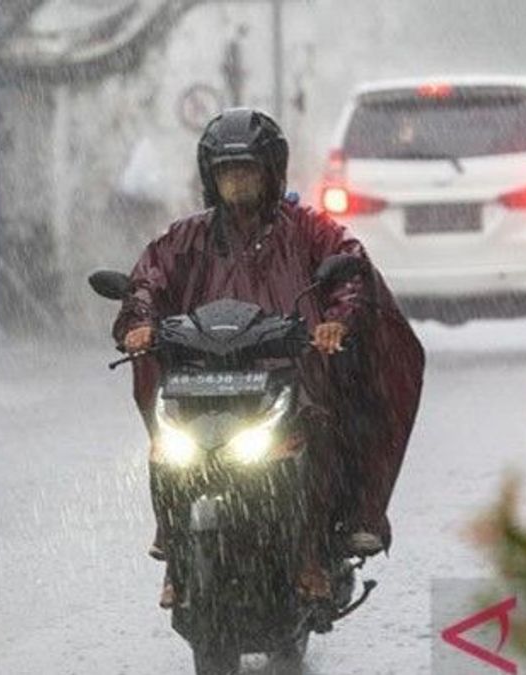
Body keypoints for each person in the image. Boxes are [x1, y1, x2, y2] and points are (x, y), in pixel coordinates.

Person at [112, 108, 425, 607]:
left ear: (270, 171)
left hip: (289, 378)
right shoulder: (185, 237)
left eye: (246, 169)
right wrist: (139, 322)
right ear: (211, 177)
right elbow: (148, 280)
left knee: (320, 427)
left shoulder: (310, 230)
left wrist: (335, 321)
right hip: (202, 379)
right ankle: (175, 548)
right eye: (226, 171)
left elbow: (350, 274)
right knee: (166, 444)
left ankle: (311, 556)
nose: (236, 181)